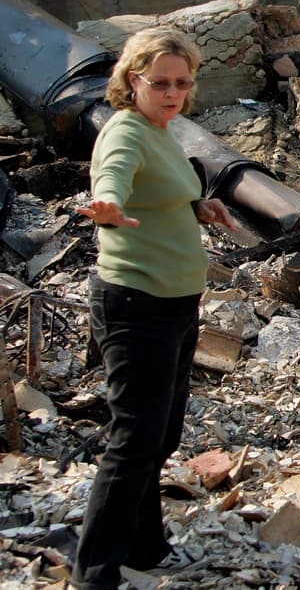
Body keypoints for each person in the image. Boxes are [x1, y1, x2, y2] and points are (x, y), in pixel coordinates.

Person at [73, 30, 234, 588]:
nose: (172, 92)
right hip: (135, 303)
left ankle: (144, 544)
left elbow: (162, 188)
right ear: (131, 81)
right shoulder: (125, 131)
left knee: (160, 434)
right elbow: (113, 176)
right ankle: (94, 572)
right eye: (159, 82)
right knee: (134, 438)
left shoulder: (161, 130)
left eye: (181, 82)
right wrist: (108, 205)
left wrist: (199, 205)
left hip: (175, 302)